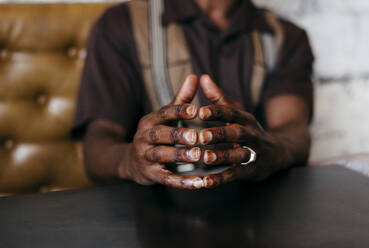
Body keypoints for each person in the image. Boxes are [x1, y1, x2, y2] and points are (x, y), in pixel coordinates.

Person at [71, 0, 314, 189]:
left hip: (259, 218)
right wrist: (131, 162)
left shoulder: (285, 37)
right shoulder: (121, 25)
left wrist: (272, 149)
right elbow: (97, 148)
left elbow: (293, 130)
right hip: (153, 222)